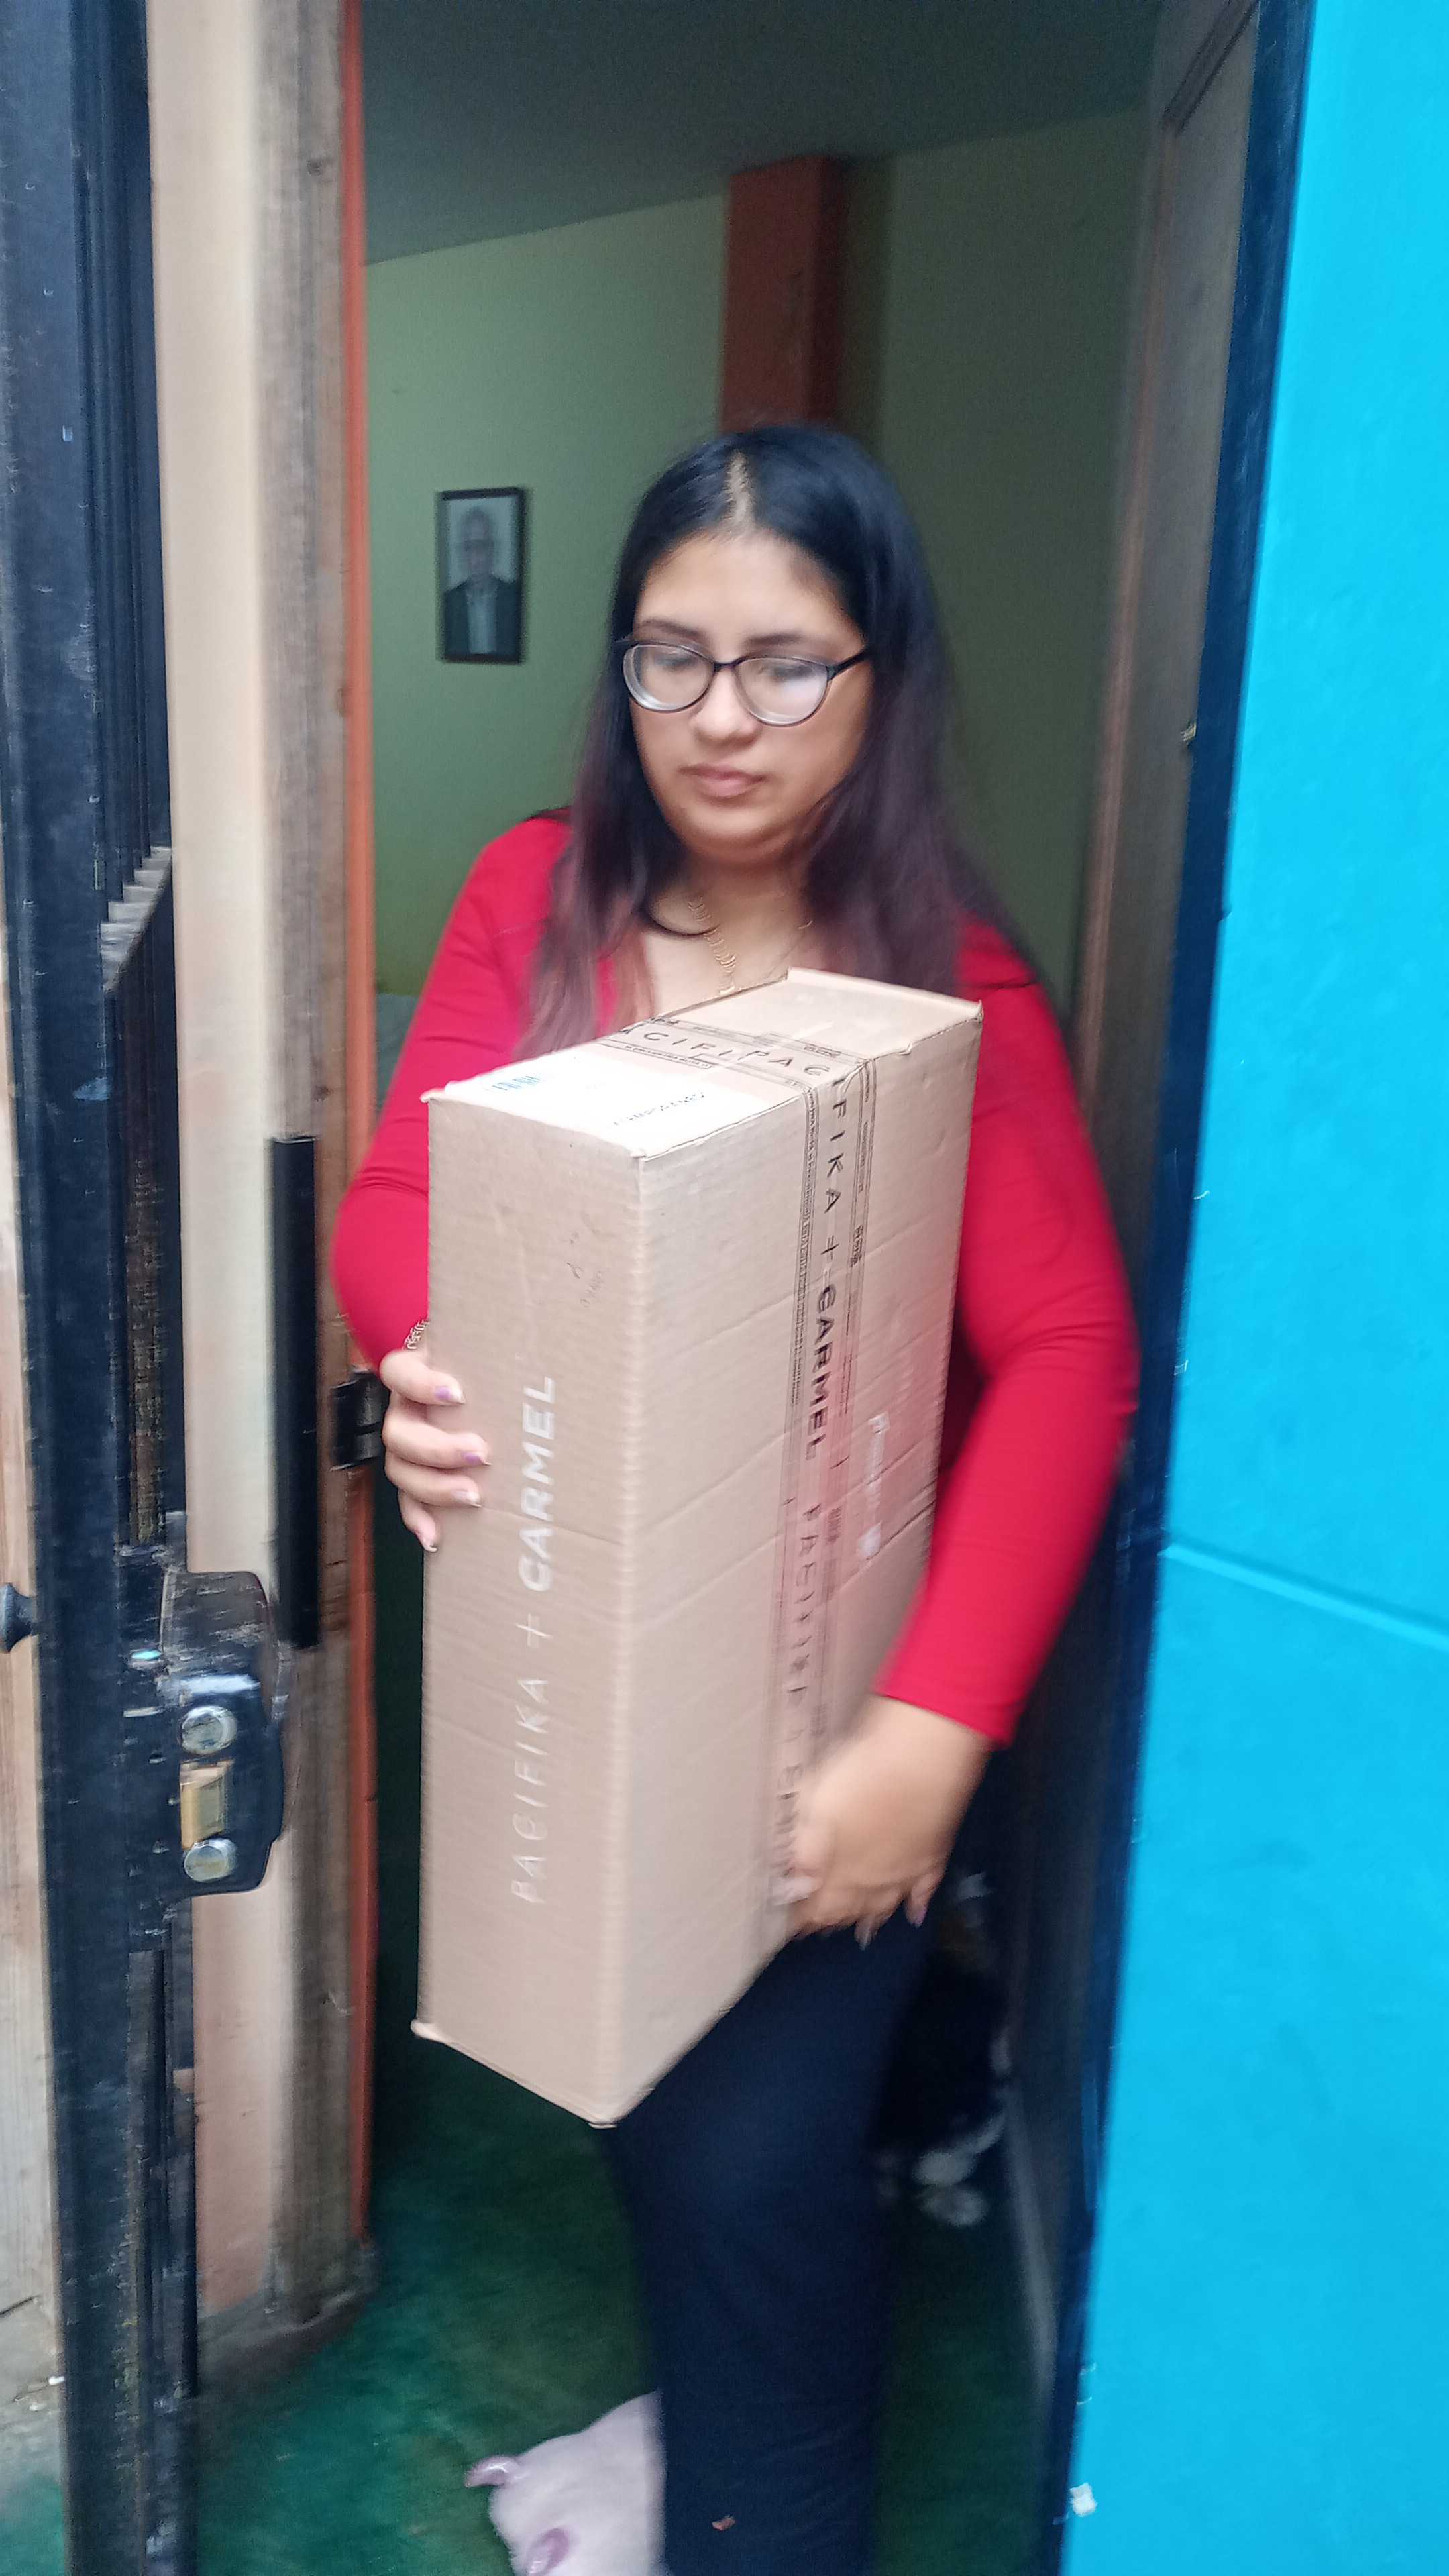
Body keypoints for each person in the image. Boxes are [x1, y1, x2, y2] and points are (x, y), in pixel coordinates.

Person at [334, 425, 1138, 2576]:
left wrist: (934, 1736)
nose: (719, 717)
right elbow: (405, 1195)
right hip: (605, 1650)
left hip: (841, 1690)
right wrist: (435, 1362)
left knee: (751, 2169)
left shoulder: (950, 980)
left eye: (788, 664)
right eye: (669, 656)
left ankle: (755, 2494)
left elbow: (1070, 1355)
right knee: (647, 2091)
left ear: (882, 677)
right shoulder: (540, 894)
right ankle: (819, 2238)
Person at [442, 502, 521, 659]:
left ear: (493, 549)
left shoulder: (514, 598)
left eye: (481, 546)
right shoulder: (448, 604)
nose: (475, 560)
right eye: (468, 548)